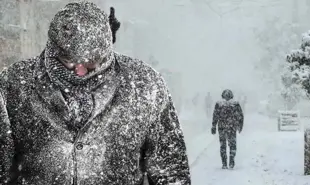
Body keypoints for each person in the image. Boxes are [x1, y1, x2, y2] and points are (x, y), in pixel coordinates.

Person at [0, 2, 190, 185]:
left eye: (91, 62)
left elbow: (170, 171)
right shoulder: (14, 85)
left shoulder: (144, 85)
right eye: (69, 60)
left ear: (107, 50)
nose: (80, 70)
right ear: (53, 49)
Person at [211, 89, 244, 169]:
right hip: (232, 127)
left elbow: (215, 115)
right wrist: (240, 126)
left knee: (223, 146)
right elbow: (240, 116)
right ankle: (231, 161)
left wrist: (214, 126)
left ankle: (224, 163)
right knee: (232, 145)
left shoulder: (219, 104)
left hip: (222, 127)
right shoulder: (235, 104)